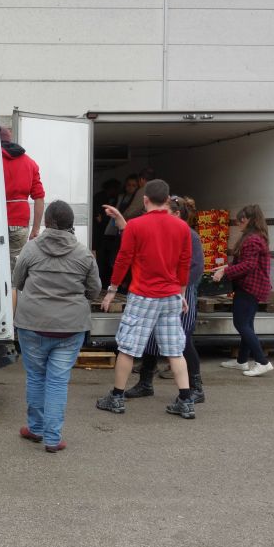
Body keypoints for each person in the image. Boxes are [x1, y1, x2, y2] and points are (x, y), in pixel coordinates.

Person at [95, 179, 197, 420]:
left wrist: (111, 290)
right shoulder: (182, 227)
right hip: (171, 295)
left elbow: (123, 260)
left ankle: (117, 397)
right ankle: (185, 400)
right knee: (175, 350)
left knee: (128, 348)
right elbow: (184, 264)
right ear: (167, 198)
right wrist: (181, 294)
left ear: (145, 199)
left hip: (143, 295)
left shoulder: (135, 226)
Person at [14, 201, 101, 452]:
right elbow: (94, 290)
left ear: (47, 222)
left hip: (31, 324)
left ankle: (35, 428)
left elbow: (18, 281)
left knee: (36, 377)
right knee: (57, 382)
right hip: (70, 328)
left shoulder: (31, 249)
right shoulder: (84, 254)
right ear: (71, 225)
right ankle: (52, 438)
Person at [116, 196, 206, 402]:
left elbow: (196, 268)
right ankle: (145, 383)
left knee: (182, 340)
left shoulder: (189, 235)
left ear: (177, 214)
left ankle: (196, 388)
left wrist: (176, 286)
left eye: (165, 210)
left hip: (181, 293)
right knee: (150, 338)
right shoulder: (165, 231)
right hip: (163, 292)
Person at [214, 204, 273, 377]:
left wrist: (225, 271)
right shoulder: (255, 237)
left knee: (241, 324)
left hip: (249, 287)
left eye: (242, 219)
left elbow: (248, 265)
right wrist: (227, 266)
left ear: (251, 220)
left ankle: (263, 362)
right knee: (247, 325)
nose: (239, 222)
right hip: (252, 286)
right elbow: (245, 262)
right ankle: (241, 361)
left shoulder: (252, 240)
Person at [0, 125, 45, 269]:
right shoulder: (30, 162)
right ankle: (13, 290)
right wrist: (36, 229)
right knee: (14, 268)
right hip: (19, 223)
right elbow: (39, 197)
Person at [97, 174, 138, 286]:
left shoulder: (136, 200)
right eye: (129, 185)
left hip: (125, 231)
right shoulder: (120, 197)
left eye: (133, 185)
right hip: (113, 232)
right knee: (111, 259)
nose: (130, 187)